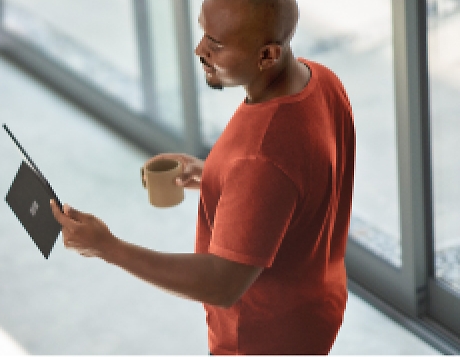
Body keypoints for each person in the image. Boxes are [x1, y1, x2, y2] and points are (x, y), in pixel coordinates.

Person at [49, 0, 355, 354]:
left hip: (260, 341)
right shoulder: (321, 81)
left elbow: (221, 284)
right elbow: (300, 182)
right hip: (316, 304)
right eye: (203, 32)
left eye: (216, 43)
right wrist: (216, 174)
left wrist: (108, 247)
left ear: (267, 55)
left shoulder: (260, 158)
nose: (200, 49)